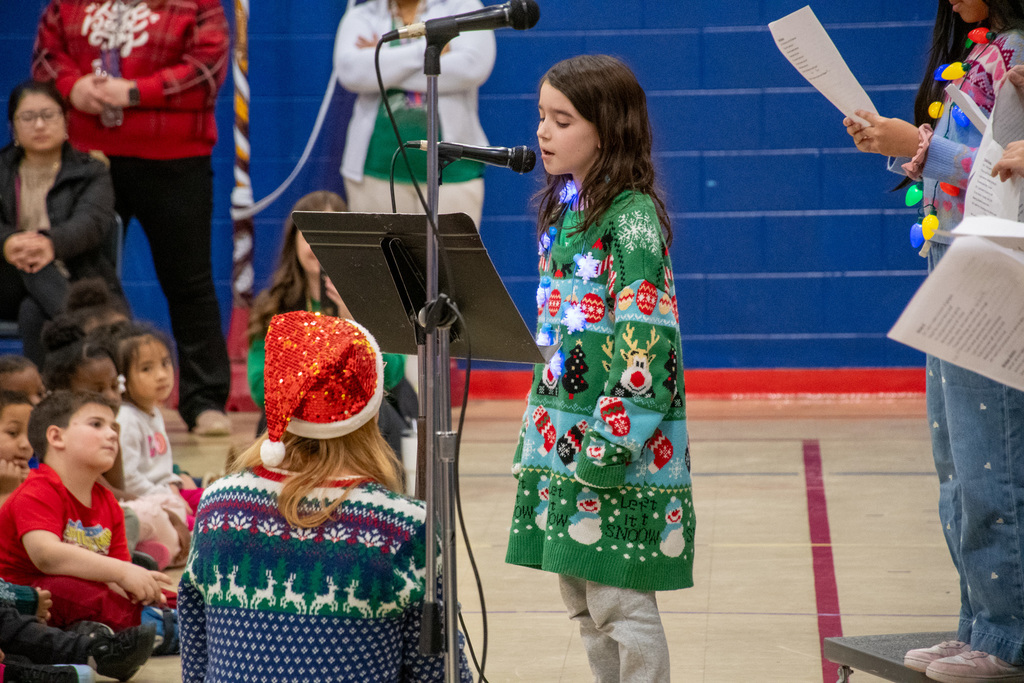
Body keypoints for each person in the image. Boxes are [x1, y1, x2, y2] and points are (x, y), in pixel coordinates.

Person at [843, 3, 1024, 681]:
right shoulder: (986, 50)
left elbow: (1000, 166)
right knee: (957, 459)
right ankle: (976, 620)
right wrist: (908, 143)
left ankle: (1008, 634)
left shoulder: (1018, 52)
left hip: (998, 268)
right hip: (954, 257)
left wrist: (914, 144)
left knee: (993, 462)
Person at [504, 55, 693, 682]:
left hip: (613, 453)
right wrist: (541, 435)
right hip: (567, 445)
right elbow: (560, 339)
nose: (543, 132)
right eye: (541, 117)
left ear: (608, 128)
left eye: (562, 119)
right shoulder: (567, 208)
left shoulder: (631, 219)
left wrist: (606, 447)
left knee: (621, 606)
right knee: (585, 608)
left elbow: (650, 354)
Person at [179, 310, 471, 683]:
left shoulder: (217, 504)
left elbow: (195, 652)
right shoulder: (404, 526)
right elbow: (439, 672)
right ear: (371, 410)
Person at [31, 0, 233, 436]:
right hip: (90, 159)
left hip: (176, 160)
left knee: (189, 282)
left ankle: (204, 401)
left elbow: (206, 71)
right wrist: (72, 85)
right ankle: (93, 393)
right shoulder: (70, 4)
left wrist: (136, 92)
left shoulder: (198, 5)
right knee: (88, 282)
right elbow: (46, 56)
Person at [246, 191, 416, 453]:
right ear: (294, 241)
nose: (318, 244)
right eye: (310, 233)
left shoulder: (375, 298)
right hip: (302, 413)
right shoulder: (274, 305)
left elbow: (392, 375)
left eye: (329, 234)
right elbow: (261, 387)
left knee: (381, 413)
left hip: (363, 418)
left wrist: (352, 318)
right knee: (269, 422)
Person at [0, 390, 171, 634]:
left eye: (113, 427)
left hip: (83, 601)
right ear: (57, 437)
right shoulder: (37, 490)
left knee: (156, 592)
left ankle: (167, 618)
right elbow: (46, 555)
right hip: (26, 605)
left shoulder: (108, 502)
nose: (112, 434)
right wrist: (123, 571)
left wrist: (143, 589)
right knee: (65, 588)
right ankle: (159, 629)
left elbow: (116, 577)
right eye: (97, 424)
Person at [333, 0, 495, 226]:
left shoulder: (463, 6)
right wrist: (432, 51)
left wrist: (382, 61)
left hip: (454, 176)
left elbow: (473, 66)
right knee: (382, 261)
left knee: (450, 261)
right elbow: (351, 72)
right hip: (376, 173)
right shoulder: (362, 15)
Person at [0, 80, 119, 368]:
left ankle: (46, 400)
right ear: (12, 126)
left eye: (48, 115)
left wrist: (50, 245)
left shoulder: (91, 171)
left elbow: (92, 223)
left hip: (74, 276)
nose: (39, 125)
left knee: (33, 313)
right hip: (6, 279)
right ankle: (92, 334)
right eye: (27, 117)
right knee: (31, 263)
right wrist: (8, 242)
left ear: (65, 121)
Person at [115, 325, 196, 568]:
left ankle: (159, 550)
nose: (161, 375)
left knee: (213, 500)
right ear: (123, 379)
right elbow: (128, 479)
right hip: (144, 497)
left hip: (163, 491)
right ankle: (158, 551)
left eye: (165, 363)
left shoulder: (153, 411)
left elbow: (159, 465)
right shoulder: (127, 419)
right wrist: (164, 495)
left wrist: (174, 482)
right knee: (200, 526)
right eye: (147, 369)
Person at [0, 391, 34, 507]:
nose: (26, 444)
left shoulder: (36, 478)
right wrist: (7, 493)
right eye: (12, 433)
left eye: (31, 435)